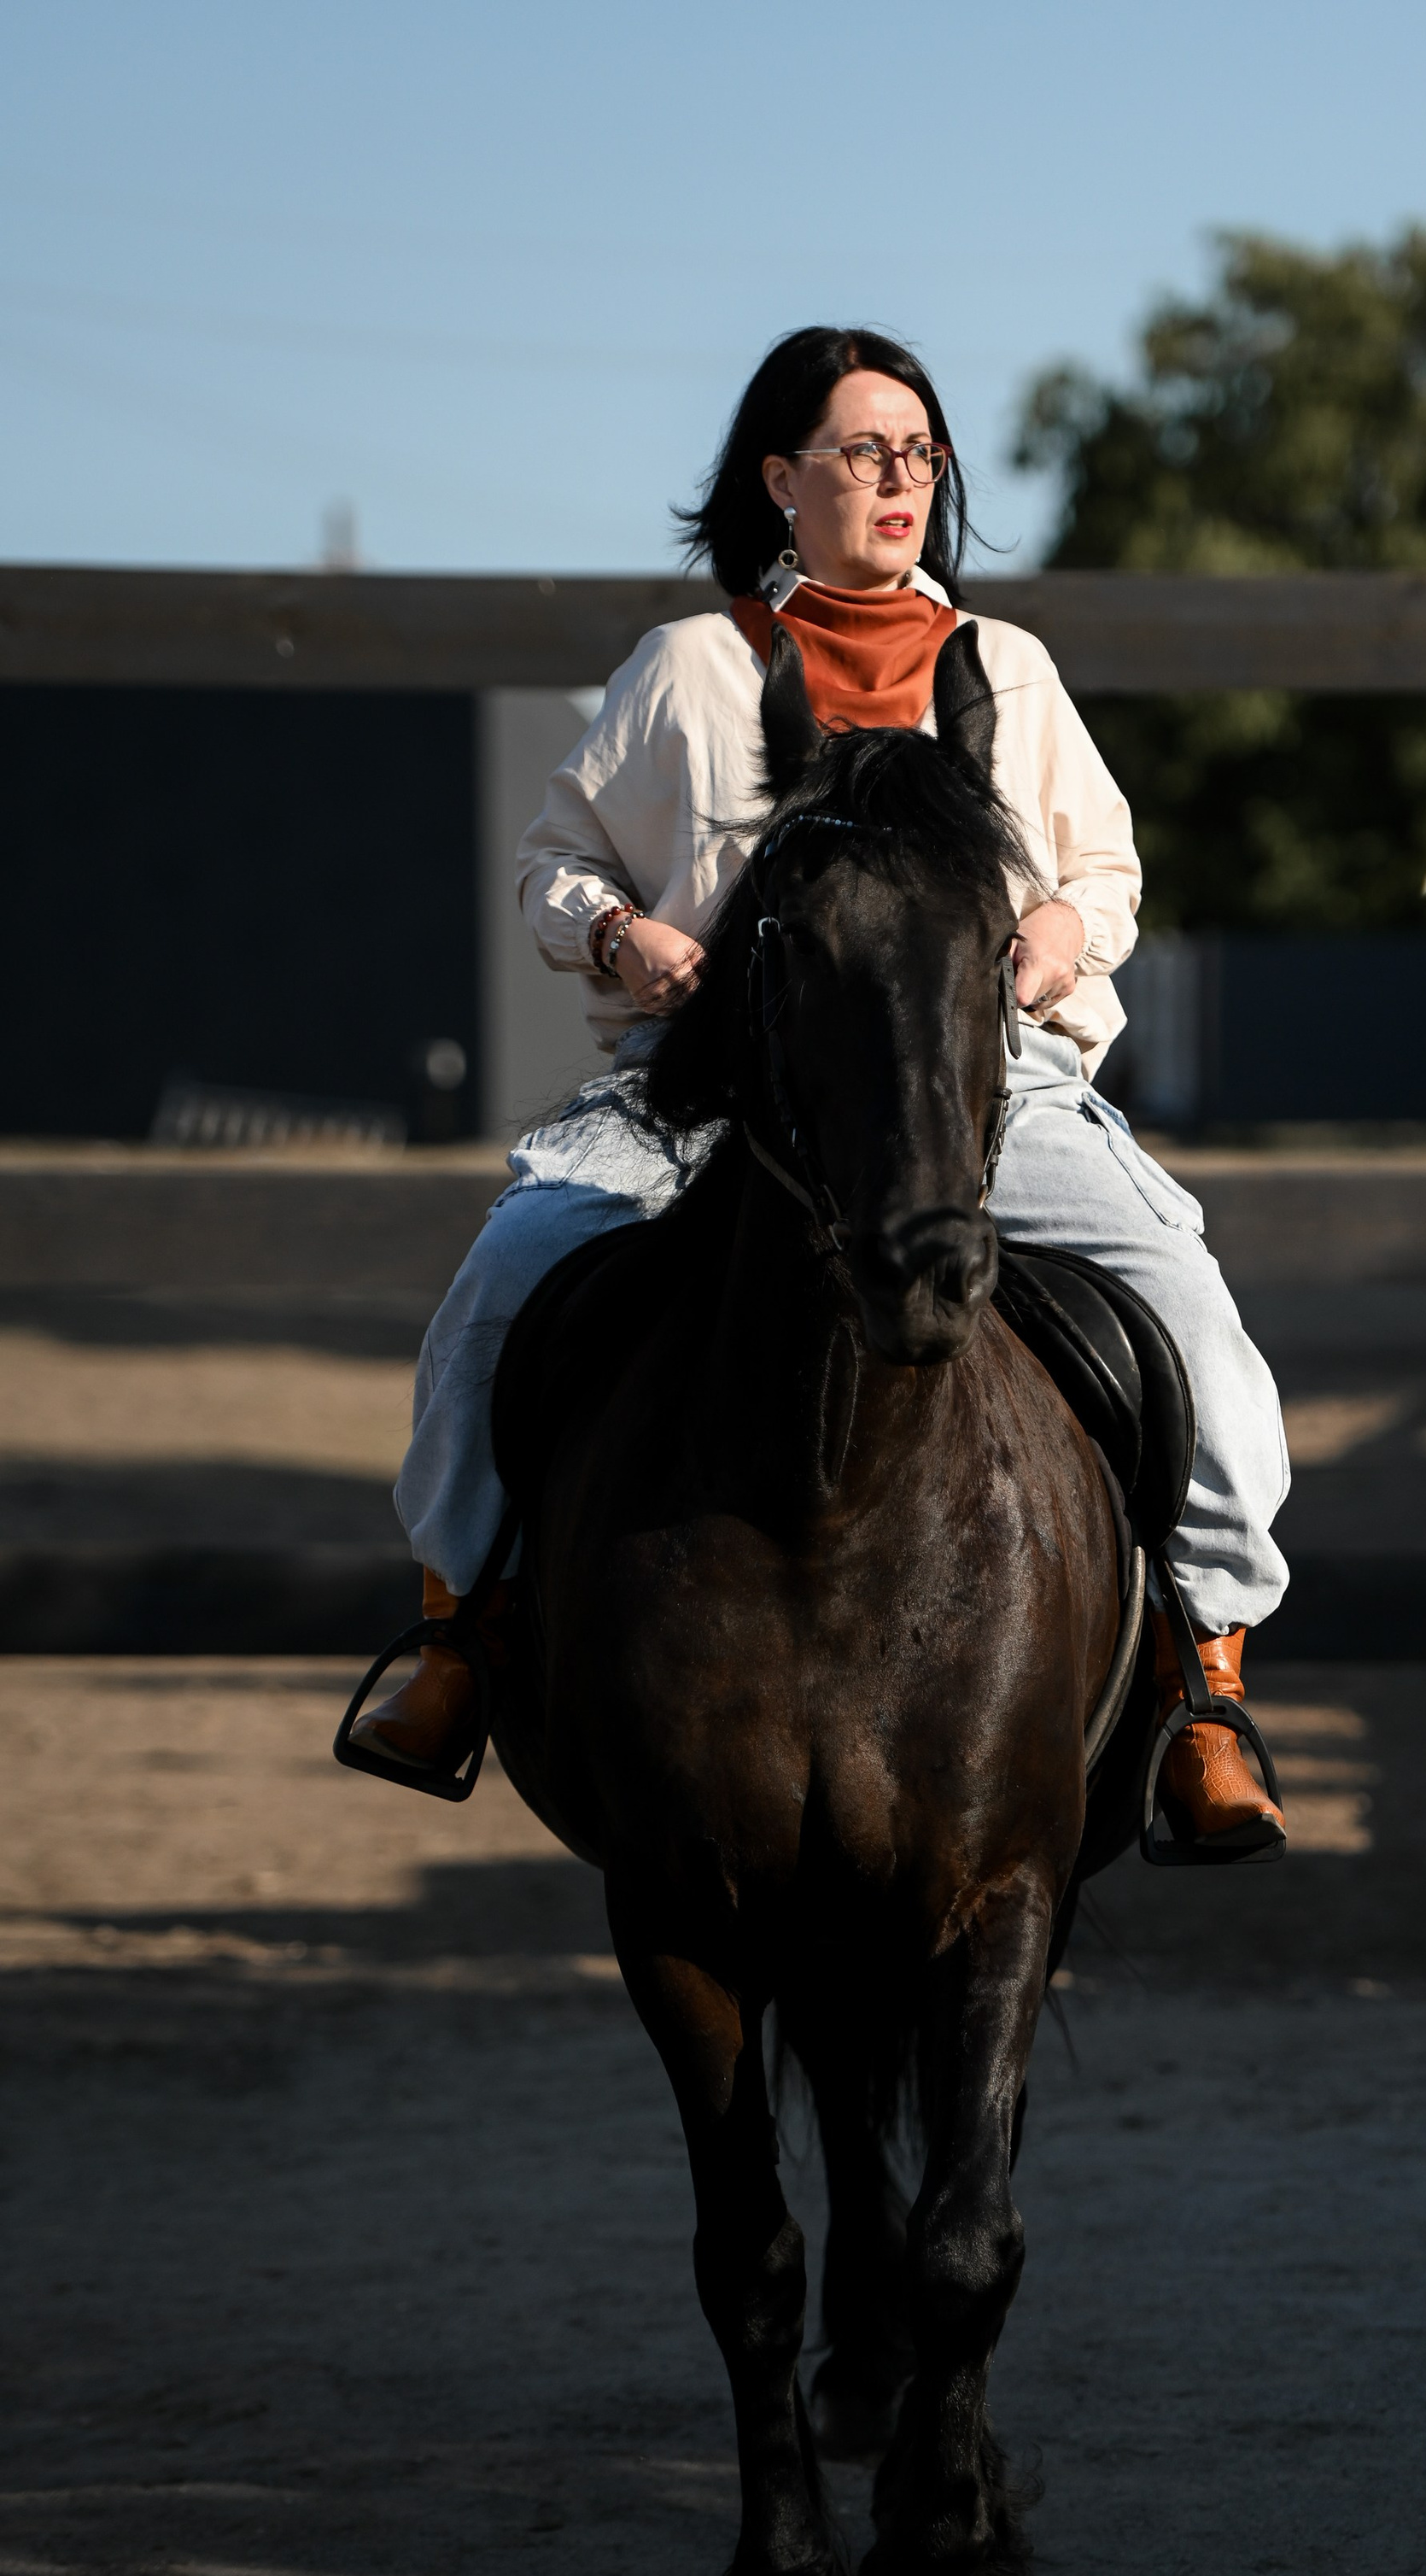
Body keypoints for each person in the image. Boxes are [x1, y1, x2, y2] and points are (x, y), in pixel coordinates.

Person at [352, 325, 1291, 1857]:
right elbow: (555, 859)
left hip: (983, 1092)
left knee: (1192, 1309)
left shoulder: (1009, 672)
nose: (901, 481)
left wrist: (1056, 929)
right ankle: (460, 1640)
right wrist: (623, 930)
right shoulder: (692, 669)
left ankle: (1207, 1682)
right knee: (497, 1289)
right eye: (866, 453)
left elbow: (1106, 869)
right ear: (782, 479)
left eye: (921, 454)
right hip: (706, 1091)